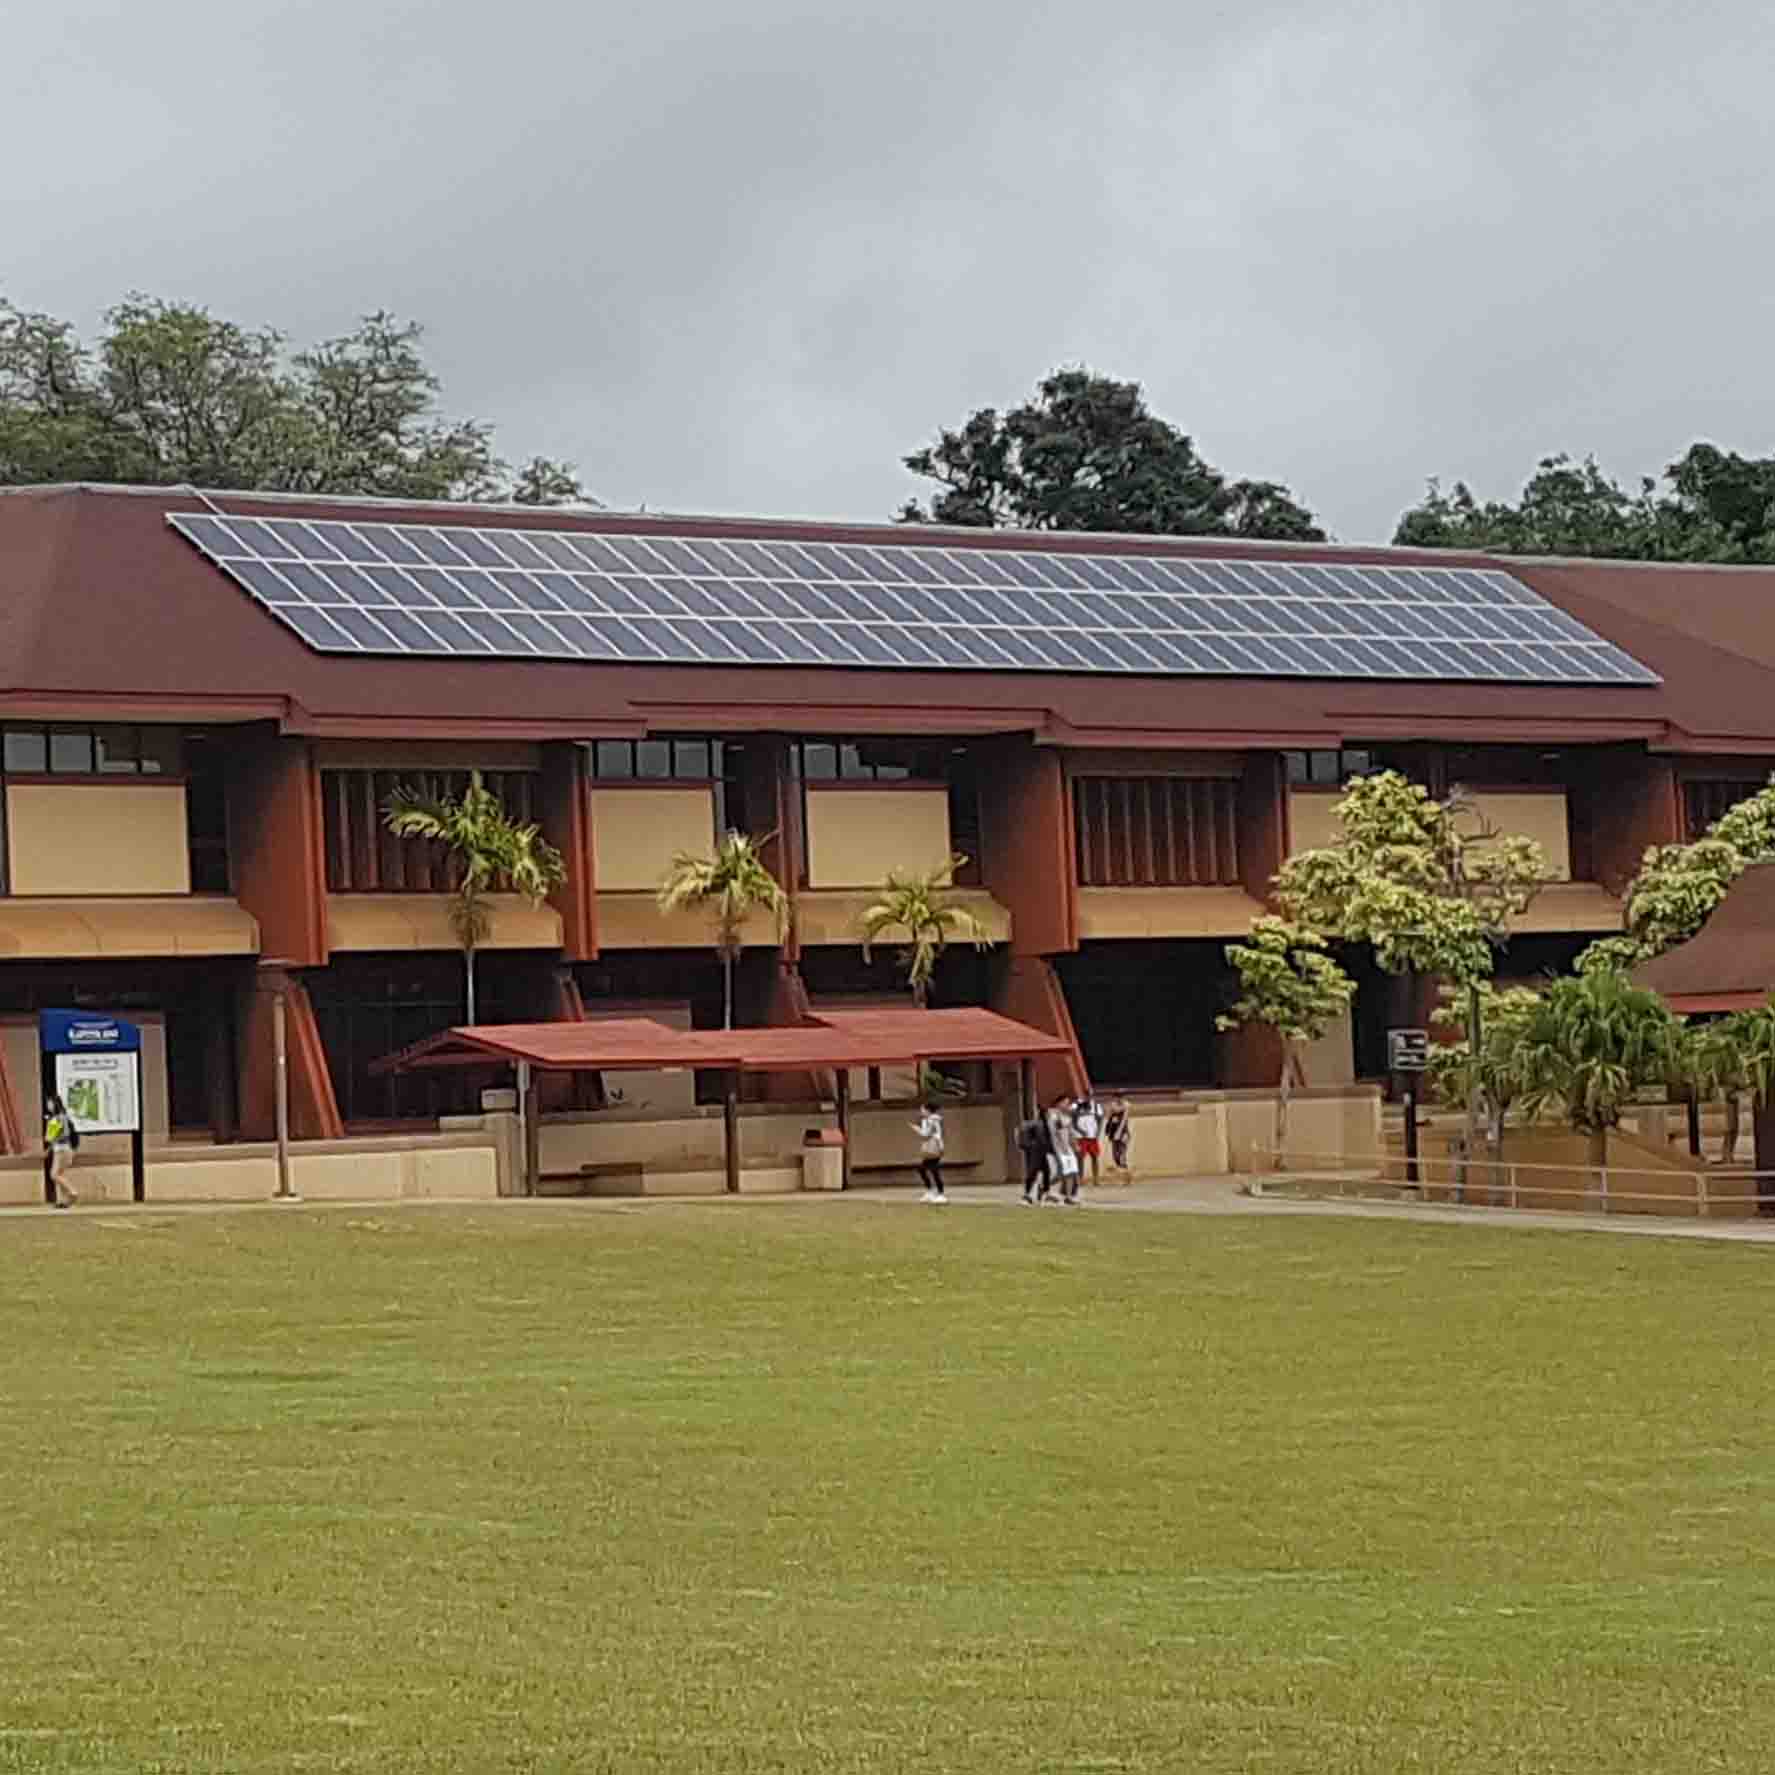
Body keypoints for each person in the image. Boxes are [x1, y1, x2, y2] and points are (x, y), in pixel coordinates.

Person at [44, 1092, 78, 1209]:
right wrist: (49, 1146)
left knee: (54, 1174)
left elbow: (65, 1134)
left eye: (50, 1103)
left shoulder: (61, 1117)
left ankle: (72, 1191)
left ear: (55, 1104)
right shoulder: (55, 1118)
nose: (48, 1105)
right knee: (60, 1174)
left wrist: (52, 1137)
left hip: (62, 1149)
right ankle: (63, 1201)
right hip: (59, 1149)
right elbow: (51, 1136)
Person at [1015, 1106, 1053, 1204]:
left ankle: (1043, 1193)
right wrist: (1051, 1150)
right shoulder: (1040, 1124)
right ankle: (1027, 1196)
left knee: (1045, 1172)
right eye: (1048, 1114)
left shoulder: (1034, 1123)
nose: (1050, 1116)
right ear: (1045, 1114)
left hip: (1033, 1150)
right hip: (1038, 1151)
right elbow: (1042, 1139)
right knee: (1034, 1172)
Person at [1047, 1095, 1080, 1206]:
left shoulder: (1067, 1117)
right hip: (1058, 1148)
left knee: (1071, 1172)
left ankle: (1068, 1196)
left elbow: (1070, 1133)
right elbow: (1058, 1132)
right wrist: (1063, 1148)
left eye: (1068, 1103)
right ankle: (1048, 1191)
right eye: (1065, 1103)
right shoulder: (1054, 1115)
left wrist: (1075, 1145)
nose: (1068, 1105)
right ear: (1059, 1103)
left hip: (1067, 1149)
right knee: (1061, 1173)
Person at [912, 1101, 947, 1203]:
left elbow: (926, 1134)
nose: (921, 1111)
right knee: (922, 1169)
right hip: (930, 1147)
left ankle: (941, 1194)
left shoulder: (933, 1120)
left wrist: (916, 1129)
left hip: (934, 1146)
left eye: (922, 1109)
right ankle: (930, 1192)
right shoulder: (926, 1120)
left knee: (934, 1170)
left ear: (927, 1110)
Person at [1072, 1092, 1105, 1186]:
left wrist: (1098, 1132)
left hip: (1092, 1136)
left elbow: (1100, 1119)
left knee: (1094, 1157)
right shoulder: (1077, 1105)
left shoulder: (1096, 1106)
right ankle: (1080, 1178)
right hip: (1081, 1136)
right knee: (1080, 1158)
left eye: (1090, 1096)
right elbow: (1073, 1120)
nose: (1088, 1097)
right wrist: (1080, 1130)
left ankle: (1096, 1179)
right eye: (1087, 1095)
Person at [1105, 1094, 1134, 1182]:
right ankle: (1124, 1173)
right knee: (1115, 1155)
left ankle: (1126, 1177)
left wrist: (1119, 1133)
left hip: (1123, 1132)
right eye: (1117, 1097)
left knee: (1122, 1154)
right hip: (1114, 1132)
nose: (1119, 1099)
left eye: (1121, 1097)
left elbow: (1124, 1120)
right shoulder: (1112, 1105)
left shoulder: (1126, 1105)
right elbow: (1108, 1118)